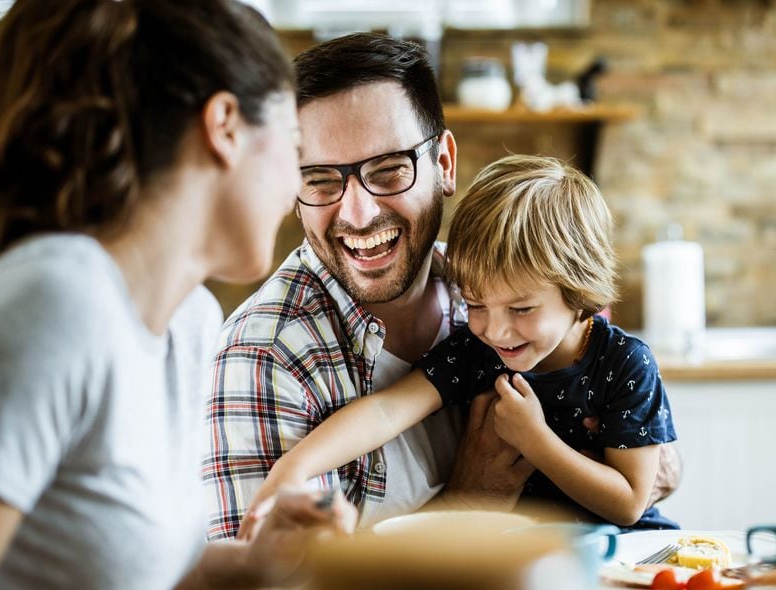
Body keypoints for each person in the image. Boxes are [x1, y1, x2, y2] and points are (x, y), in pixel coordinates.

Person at [0, 1, 355, 588]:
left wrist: (255, 564)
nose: (295, 184)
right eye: (294, 148)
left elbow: (140, 570)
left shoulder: (188, 321)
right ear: (225, 127)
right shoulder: (55, 306)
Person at [205, 32, 538, 541]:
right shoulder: (265, 357)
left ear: (444, 165)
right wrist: (471, 502)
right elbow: (274, 576)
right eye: (320, 180)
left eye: (388, 171)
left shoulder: (503, 295)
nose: (358, 214)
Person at [244, 155, 680, 530]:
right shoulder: (475, 352)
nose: (496, 331)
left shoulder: (625, 363)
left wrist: (534, 439)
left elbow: (628, 503)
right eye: (475, 304)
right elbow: (385, 411)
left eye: (521, 309)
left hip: (623, 554)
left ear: (580, 291)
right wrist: (293, 468)